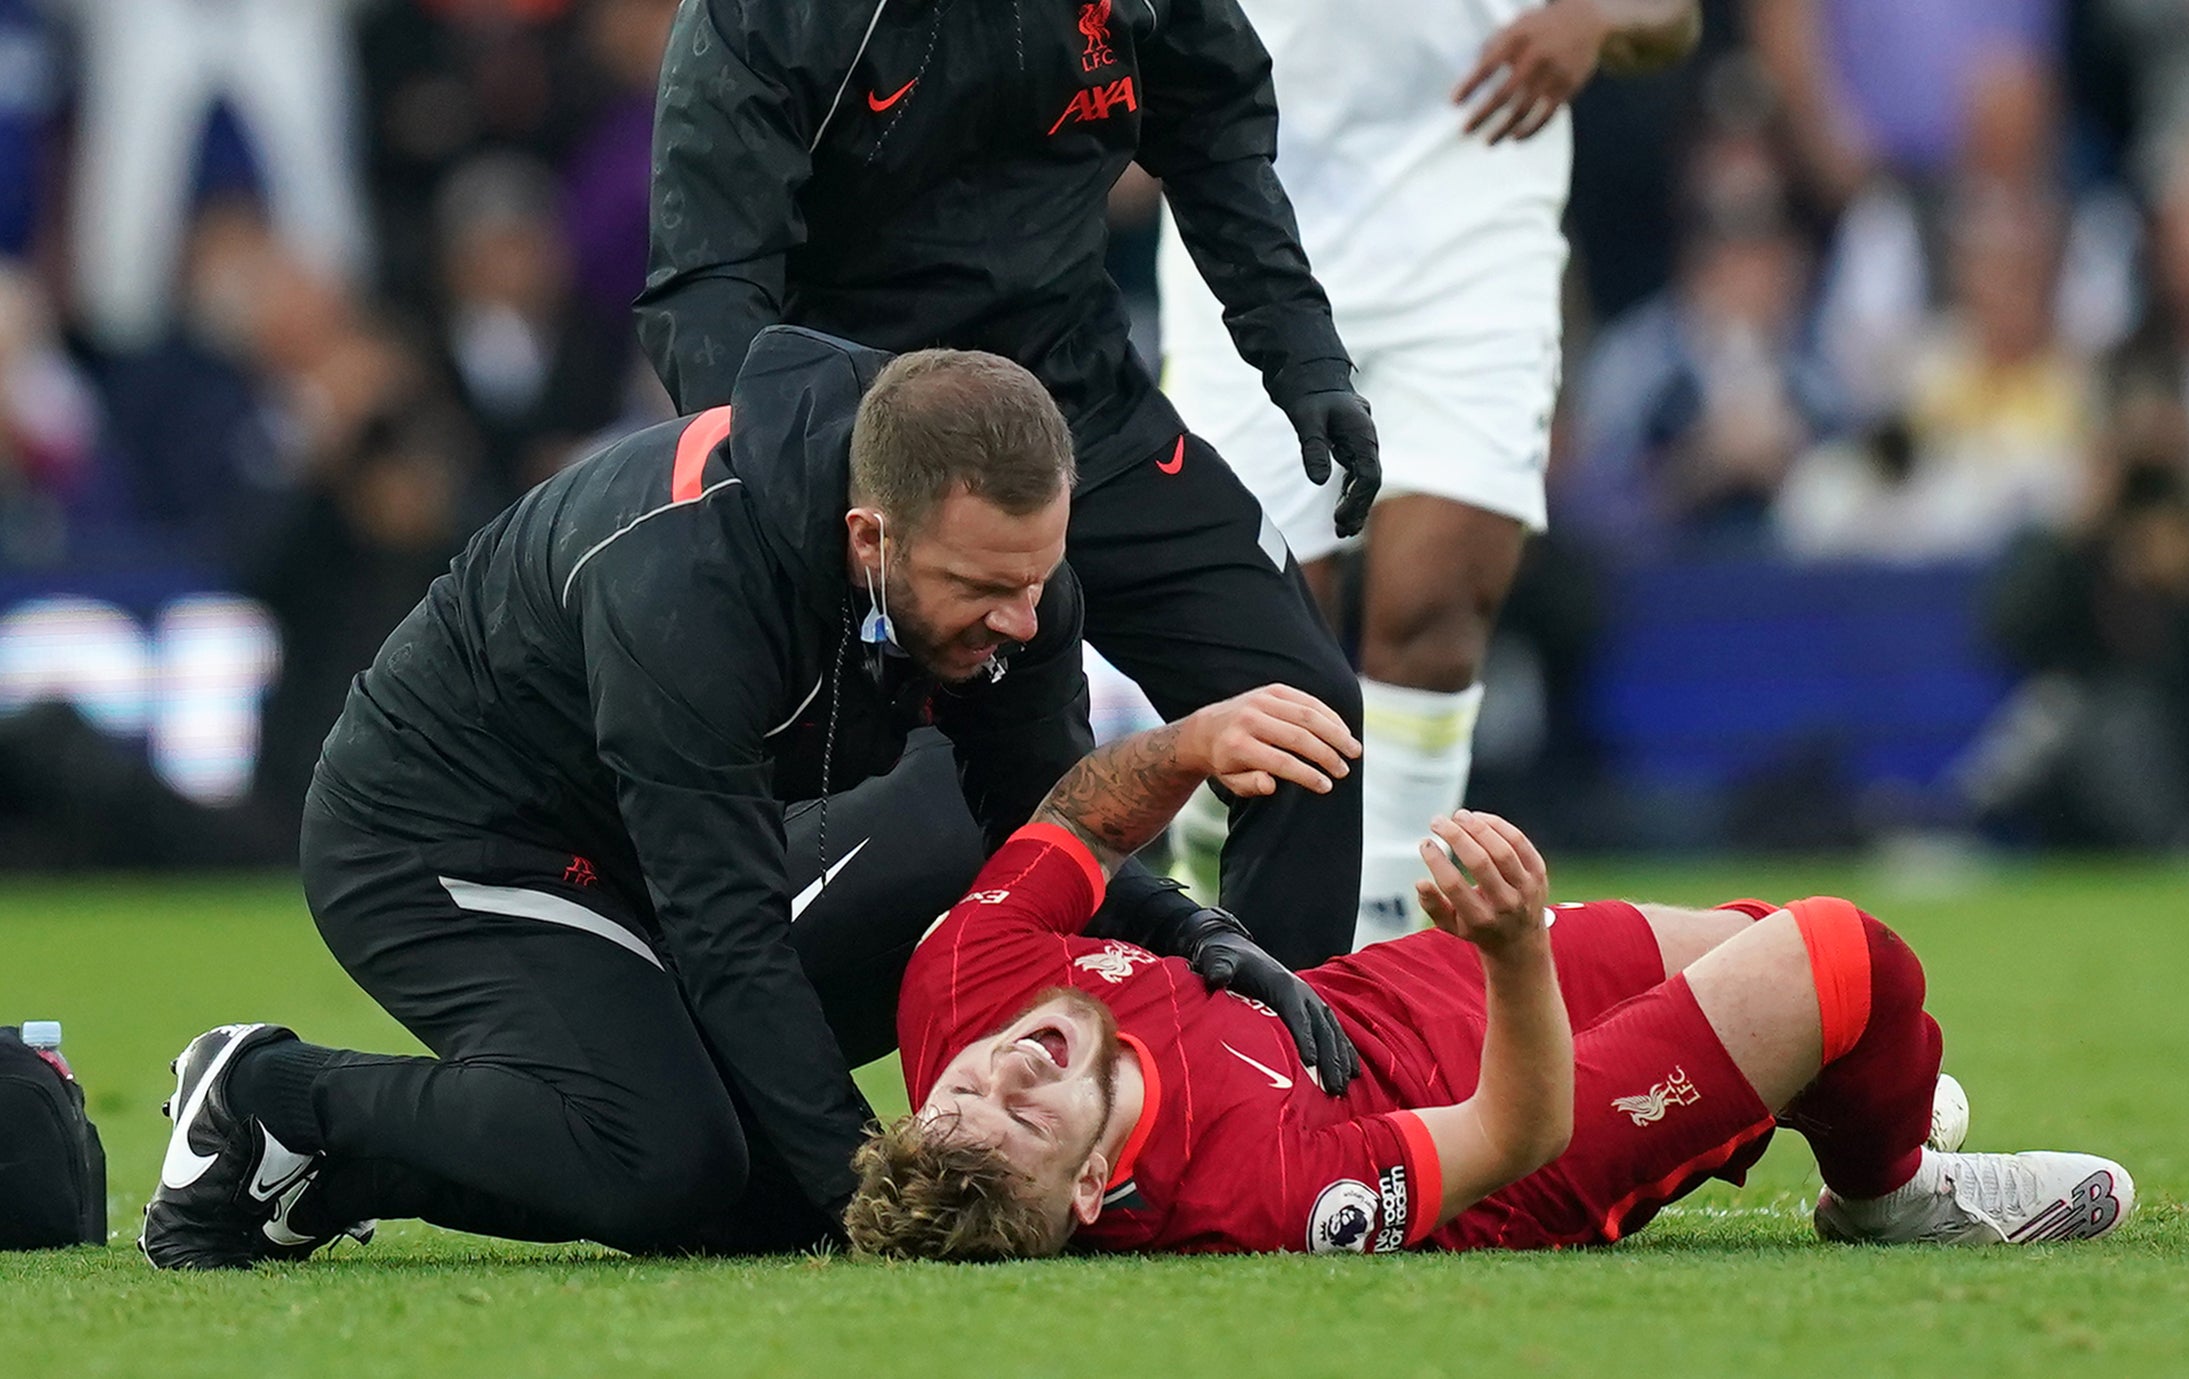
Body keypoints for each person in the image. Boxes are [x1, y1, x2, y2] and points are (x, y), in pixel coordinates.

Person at [137, 328, 1344, 1270]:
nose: (1024, 623)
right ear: (867, 536)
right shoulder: (683, 587)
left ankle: (325, 1179)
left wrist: (1198, 931)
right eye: (983, 587)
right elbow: (724, 927)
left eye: (1040, 579)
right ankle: (268, 1101)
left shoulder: (1005, 575)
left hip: (656, 849)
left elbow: (1038, 828)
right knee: (671, 1161)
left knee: (798, 1125)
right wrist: (866, 1193)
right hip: (441, 836)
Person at [847, 694, 2136, 1259]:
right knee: (1844, 956)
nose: (1012, 1061)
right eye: (1024, 1110)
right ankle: (1890, 1192)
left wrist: (1187, 743)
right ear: (1089, 1182)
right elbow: (1510, 1128)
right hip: (1509, 1144)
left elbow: (1076, 820)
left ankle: (1858, 1099)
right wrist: (1512, 948)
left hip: (1380, 1011)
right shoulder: (1261, 1194)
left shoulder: (961, 984)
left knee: (1761, 939)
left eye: (972, 1079)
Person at [635, 0, 1382, 970]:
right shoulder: (775, 14)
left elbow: (1216, 131)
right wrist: (800, 500)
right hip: (873, 453)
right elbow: (707, 278)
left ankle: (1264, 1085)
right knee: (951, 806)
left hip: (1081, 411)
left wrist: (1305, 354)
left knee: (1307, 716)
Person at [1156, 0, 1701, 946]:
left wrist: (1594, 19)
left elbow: (1675, 16)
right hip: (1246, 208)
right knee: (1272, 646)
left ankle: (1392, 954)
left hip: (1475, 218)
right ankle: (1208, 864)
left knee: (1437, 608)